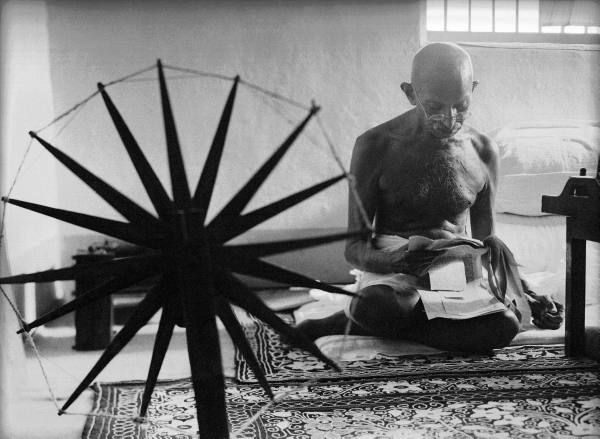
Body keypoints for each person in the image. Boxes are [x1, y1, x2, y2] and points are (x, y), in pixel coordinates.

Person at [297, 42, 563, 353]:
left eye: (461, 105)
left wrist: (525, 290)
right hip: (396, 275)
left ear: (473, 89)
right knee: (377, 305)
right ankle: (384, 318)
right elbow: (354, 248)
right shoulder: (375, 146)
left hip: (457, 273)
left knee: (506, 325)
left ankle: (359, 323)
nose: (450, 118)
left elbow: (488, 241)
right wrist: (395, 260)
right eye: (435, 106)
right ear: (410, 93)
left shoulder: (484, 150)